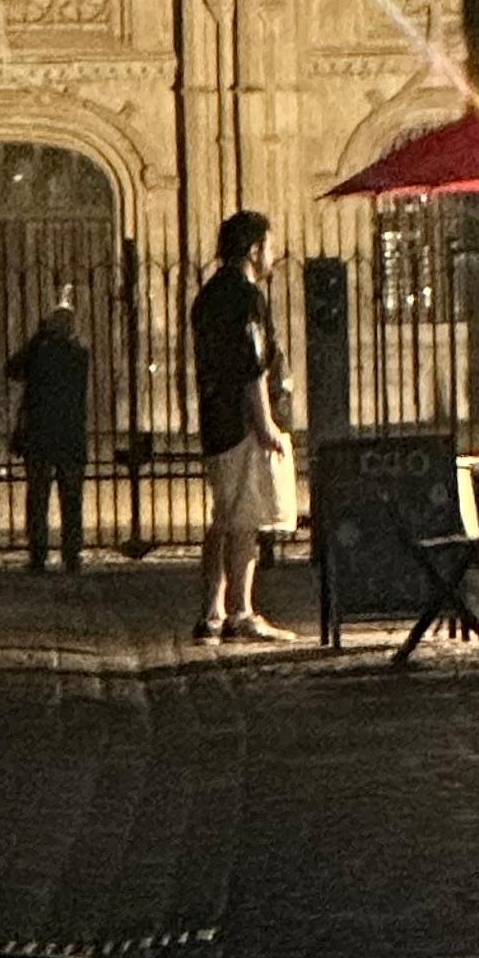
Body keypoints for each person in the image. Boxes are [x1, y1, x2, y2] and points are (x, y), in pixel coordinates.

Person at [188, 210, 295, 646]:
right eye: (269, 246)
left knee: (224, 515)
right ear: (253, 250)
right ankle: (239, 611)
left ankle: (212, 611)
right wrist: (266, 421)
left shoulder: (207, 296)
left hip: (217, 417)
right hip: (243, 423)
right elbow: (252, 364)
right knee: (244, 520)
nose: (273, 255)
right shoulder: (246, 297)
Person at [7, 286, 91, 572]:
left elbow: (13, 369)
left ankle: (38, 553)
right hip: (70, 435)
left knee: (38, 497)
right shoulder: (79, 353)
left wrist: (37, 339)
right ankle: (72, 553)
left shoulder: (40, 353)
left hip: (40, 434)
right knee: (71, 499)